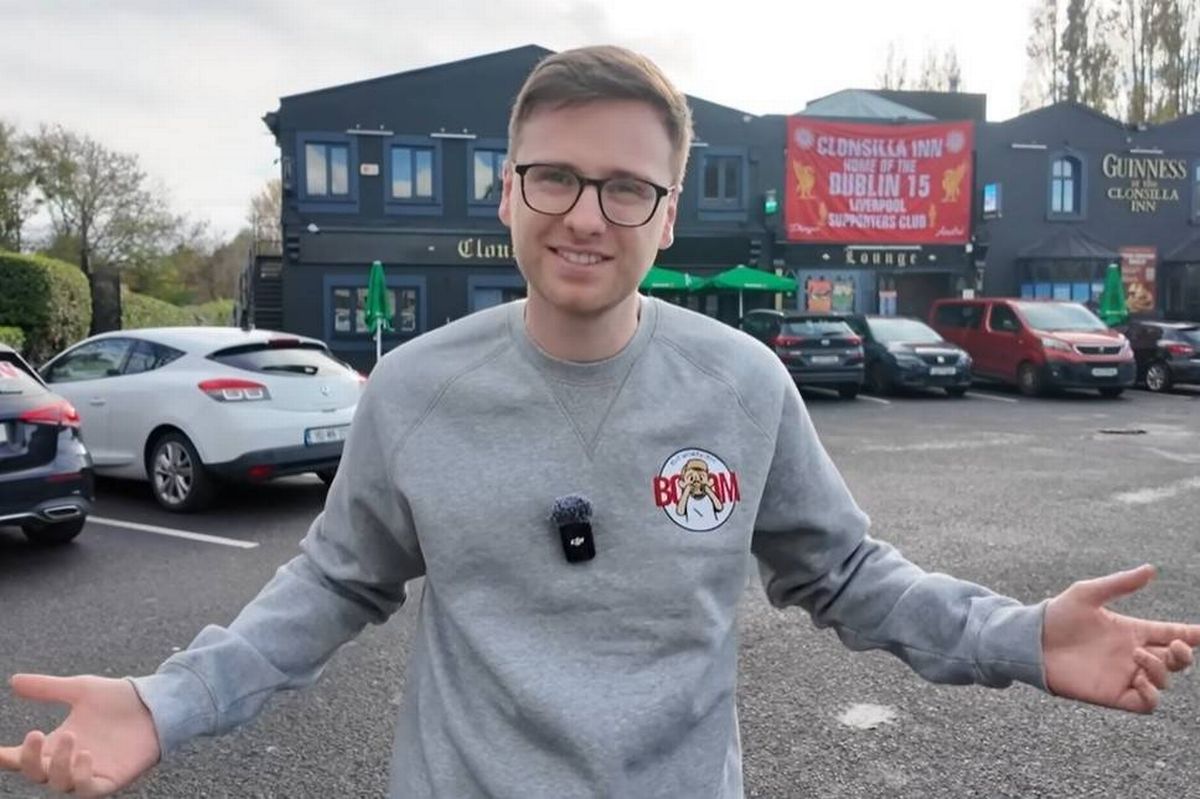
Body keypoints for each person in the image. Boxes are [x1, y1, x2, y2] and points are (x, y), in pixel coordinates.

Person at [3, 44, 1199, 798]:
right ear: (507, 190)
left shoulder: (743, 385)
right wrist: (167, 702)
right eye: (557, 177)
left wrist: (1018, 637)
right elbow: (327, 588)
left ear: (668, 213)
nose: (589, 212)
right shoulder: (413, 389)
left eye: (628, 185)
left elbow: (845, 575)